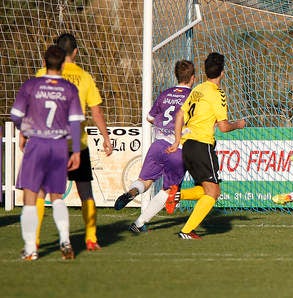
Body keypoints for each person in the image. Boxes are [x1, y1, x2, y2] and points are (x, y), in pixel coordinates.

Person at [33, 33, 113, 251]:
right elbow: (96, 111)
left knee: (40, 191)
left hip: (49, 143)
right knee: (85, 191)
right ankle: (91, 239)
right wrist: (106, 137)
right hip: (77, 144)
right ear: (75, 52)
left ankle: (35, 241)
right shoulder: (85, 77)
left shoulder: (43, 73)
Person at [12, 45, 84, 260]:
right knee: (57, 196)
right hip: (59, 146)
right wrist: (76, 151)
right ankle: (65, 241)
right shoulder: (70, 88)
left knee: (30, 196)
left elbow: (16, 115)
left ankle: (31, 249)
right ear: (62, 65)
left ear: (43, 63)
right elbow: (75, 122)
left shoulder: (31, 85)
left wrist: (24, 131)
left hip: (37, 143)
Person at [166, 52, 246, 239]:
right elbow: (224, 127)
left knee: (206, 190)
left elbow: (180, 114)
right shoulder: (217, 93)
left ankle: (178, 195)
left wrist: (177, 140)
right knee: (213, 193)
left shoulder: (197, 89)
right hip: (202, 145)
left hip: (187, 146)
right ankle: (186, 231)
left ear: (205, 71)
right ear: (222, 72)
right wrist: (239, 124)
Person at [114, 60, 196, 232]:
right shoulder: (194, 96)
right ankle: (139, 223)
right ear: (193, 78)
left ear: (176, 76)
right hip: (177, 149)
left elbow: (150, 118)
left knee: (144, 181)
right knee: (169, 190)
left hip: (158, 145)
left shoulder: (166, 93)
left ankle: (132, 193)